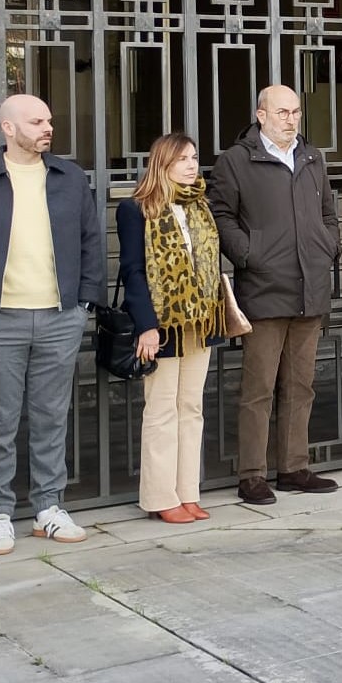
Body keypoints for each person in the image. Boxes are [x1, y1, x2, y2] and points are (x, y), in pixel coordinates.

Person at [0, 93, 104, 554]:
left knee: (53, 416)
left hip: (59, 317)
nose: (47, 128)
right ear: (8, 129)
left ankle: (48, 507)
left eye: (49, 120)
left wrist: (84, 305)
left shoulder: (70, 178)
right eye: (36, 121)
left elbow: (91, 242)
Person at [209, 84, 342, 505]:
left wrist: (329, 243)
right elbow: (220, 213)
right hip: (264, 289)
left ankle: (293, 467)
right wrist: (247, 253)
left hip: (310, 286)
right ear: (261, 114)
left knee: (301, 386)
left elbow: (327, 212)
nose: (291, 119)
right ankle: (252, 474)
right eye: (283, 112)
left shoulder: (312, 157)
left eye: (297, 112)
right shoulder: (235, 161)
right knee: (259, 389)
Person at [117, 132, 225, 523]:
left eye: (194, 157)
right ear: (162, 164)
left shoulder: (199, 206)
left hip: (199, 322)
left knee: (191, 408)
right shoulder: (137, 209)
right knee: (162, 410)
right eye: (182, 159)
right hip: (162, 325)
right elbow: (133, 270)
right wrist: (146, 325)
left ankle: (187, 492)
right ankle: (161, 497)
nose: (191, 165)